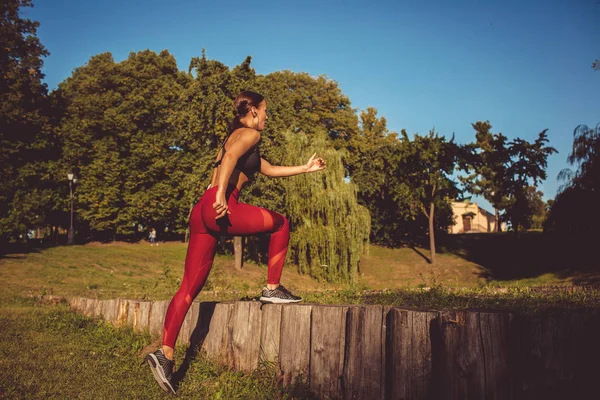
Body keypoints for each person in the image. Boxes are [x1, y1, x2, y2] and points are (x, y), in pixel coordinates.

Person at [145, 91, 326, 394]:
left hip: (200, 211)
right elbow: (229, 161)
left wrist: (305, 169)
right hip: (219, 205)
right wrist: (220, 197)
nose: (268, 116)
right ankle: (272, 288)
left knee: (188, 288)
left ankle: (165, 354)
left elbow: (269, 170)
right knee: (281, 223)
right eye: (266, 110)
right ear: (253, 111)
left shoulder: (236, 138)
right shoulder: (251, 134)